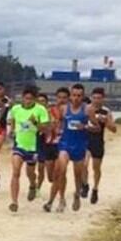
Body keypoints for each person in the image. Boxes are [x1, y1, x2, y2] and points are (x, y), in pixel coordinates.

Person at [44, 83, 99, 212]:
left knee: (77, 175)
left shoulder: (88, 109)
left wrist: (85, 127)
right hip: (65, 144)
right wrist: (54, 126)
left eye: (79, 96)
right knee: (60, 171)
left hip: (80, 146)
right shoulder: (64, 108)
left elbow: (97, 128)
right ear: (70, 96)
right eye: (74, 95)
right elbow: (60, 123)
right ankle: (57, 200)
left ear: (83, 96)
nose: (76, 98)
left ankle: (77, 195)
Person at [6, 86, 50, 212]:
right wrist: (12, 131)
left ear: (35, 99)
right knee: (16, 172)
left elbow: (45, 129)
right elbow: (12, 120)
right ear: (22, 98)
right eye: (26, 98)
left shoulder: (40, 110)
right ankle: (14, 202)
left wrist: (35, 123)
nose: (28, 101)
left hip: (33, 146)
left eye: (31, 99)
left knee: (30, 173)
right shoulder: (16, 109)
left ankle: (32, 185)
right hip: (19, 145)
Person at [84, 87, 117, 204]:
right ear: (91, 98)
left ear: (103, 99)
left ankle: (95, 189)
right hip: (85, 140)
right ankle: (85, 184)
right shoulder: (86, 109)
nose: (96, 100)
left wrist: (106, 122)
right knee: (84, 164)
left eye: (99, 98)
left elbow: (114, 129)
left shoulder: (106, 112)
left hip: (98, 142)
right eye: (94, 98)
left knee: (96, 168)